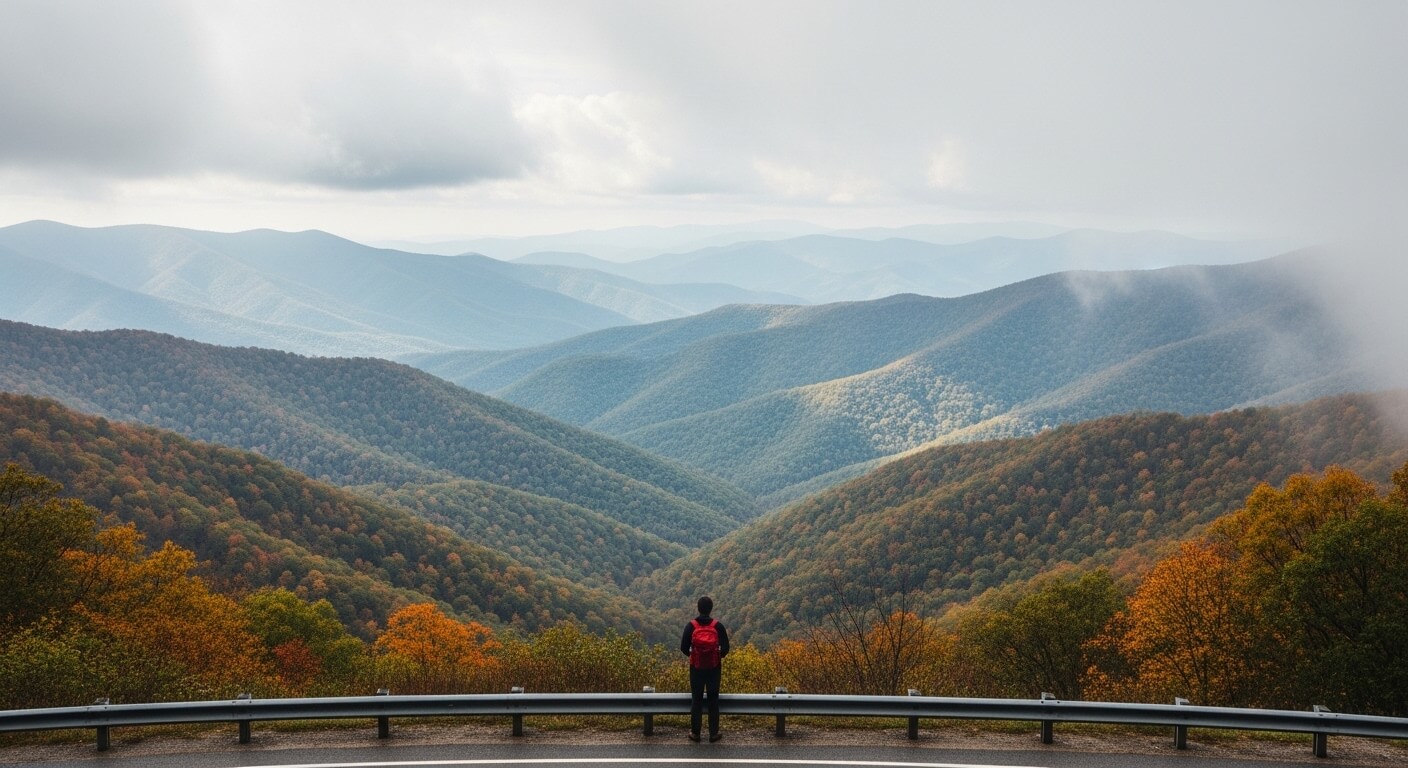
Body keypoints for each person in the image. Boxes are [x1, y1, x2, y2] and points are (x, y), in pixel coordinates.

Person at [680, 595, 729, 742]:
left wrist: (694, 655)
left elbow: (683, 647)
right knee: (713, 700)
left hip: (696, 668)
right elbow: (726, 649)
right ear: (711, 608)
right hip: (714, 668)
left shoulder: (691, 626)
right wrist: (715, 656)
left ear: (698, 608)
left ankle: (695, 733)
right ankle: (713, 734)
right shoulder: (717, 626)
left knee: (697, 699)